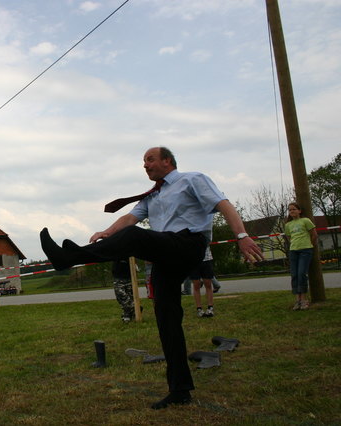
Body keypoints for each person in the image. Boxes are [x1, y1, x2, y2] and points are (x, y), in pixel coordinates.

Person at [39, 147, 263, 410]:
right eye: (143, 161)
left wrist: (241, 235)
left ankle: (69, 258)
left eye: (150, 159)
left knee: (135, 237)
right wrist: (106, 231)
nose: (145, 165)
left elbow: (224, 204)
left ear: (167, 161)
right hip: (166, 253)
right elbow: (130, 217)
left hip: (189, 243)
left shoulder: (191, 179)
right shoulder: (153, 195)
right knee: (167, 321)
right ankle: (179, 390)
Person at [284, 202, 317, 310]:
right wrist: (294, 244)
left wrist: (310, 245)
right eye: (290, 210)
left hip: (305, 250)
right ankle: (297, 300)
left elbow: (314, 234)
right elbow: (289, 237)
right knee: (294, 275)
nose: (292, 211)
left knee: (302, 273)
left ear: (299, 211)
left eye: (294, 209)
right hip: (294, 251)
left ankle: (304, 299)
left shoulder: (305, 221)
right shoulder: (288, 225)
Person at [191, 246, 216, 317]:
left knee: (208, 284)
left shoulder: (205, 234)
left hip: (206, 259)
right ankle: (199, 309)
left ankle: (210, 308)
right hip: (193, 261)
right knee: (196, 285)